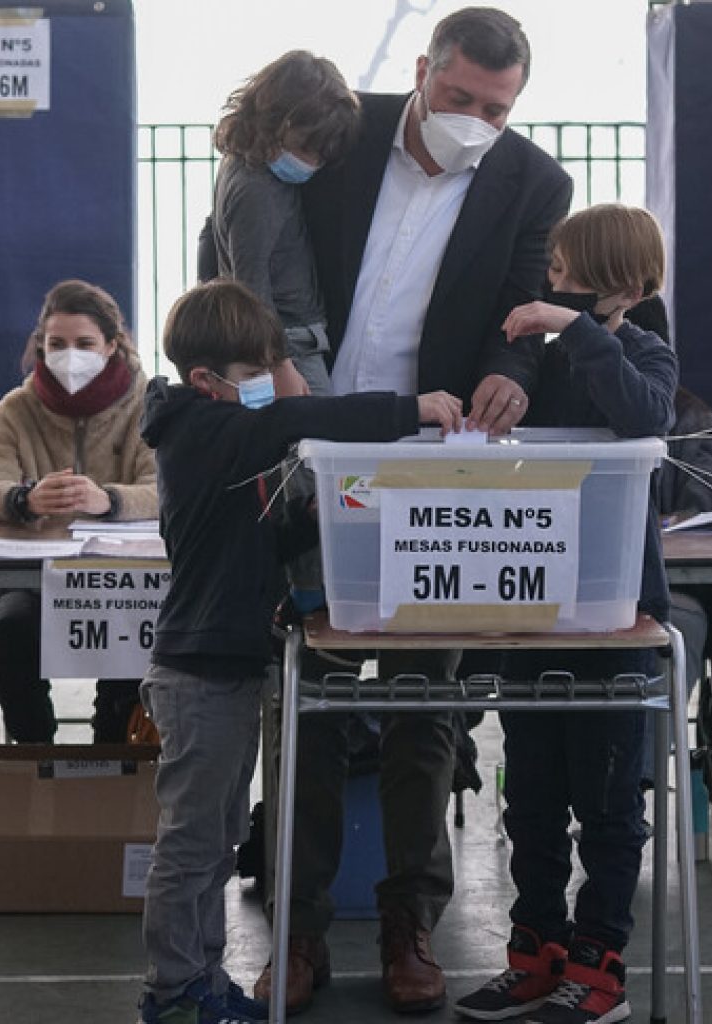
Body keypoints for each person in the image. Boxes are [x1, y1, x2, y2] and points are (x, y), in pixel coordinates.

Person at [261, 7, 573, 1016]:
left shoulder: (535, 181)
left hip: (432, 464)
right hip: (306, 444)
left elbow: (520, 314)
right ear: (422, 69)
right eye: (457, 97)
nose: (474, 121)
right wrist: (266, 369)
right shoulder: (342, 134)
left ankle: (411, 923)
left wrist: (511, 372)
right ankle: (298, 928)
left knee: (424, 703)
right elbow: (249, 244)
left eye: (497, 109)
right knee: (301, 695)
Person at [135, 278, 462, 1024]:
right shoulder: (206, 431)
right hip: (200, 676)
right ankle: (173, 990)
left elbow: (254, 541)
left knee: (219, 842)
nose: (272, 385)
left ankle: (202, 982)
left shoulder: (215, 435)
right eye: (256, 372)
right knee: (191, 846)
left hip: (225, 669)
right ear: (206, 380)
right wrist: (413, 409)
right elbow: (306, 414)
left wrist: (329, 524)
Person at [455, 203, 677, 1024]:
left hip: (615, 618)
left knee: (610, 802)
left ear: (625, 288)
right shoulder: (537, 364)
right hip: (534, 605)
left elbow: (643, 415)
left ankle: (599, 963)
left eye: (569, 275)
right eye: (551, 270)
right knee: (532, 796)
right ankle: (537, 948)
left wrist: (577, 329)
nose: (552, 285)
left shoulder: (642, 351)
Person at [0, 280, 157, 743]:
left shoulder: (147, 404)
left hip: (124, 584)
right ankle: (34, 754)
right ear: (41, 347)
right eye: (57, 344)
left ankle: (113, 756)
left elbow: (166, 490)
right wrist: (22, 499)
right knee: (9, 633)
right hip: (35, 580)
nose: (71, 355)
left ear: (111, 345)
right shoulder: (16, 409)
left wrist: (109, 500)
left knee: (138, 639)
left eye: (85, 344)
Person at [626, 297, 712, 783]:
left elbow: (698, 522)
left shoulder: (703, 427)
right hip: (591, 591)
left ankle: (641, 781)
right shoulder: (573, 415)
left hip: (680, 588)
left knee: (677, 627)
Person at [208, 49, 360, 397]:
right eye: (306, 147)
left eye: (321, 154)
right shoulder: (257, 189)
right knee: (317, 427)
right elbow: (251, 287)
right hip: (289, 342)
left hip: (288, 340)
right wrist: (279, 364)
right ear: (276, 121)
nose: (312, 163)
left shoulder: (244, 161)